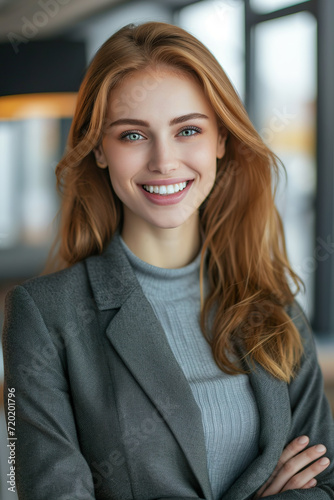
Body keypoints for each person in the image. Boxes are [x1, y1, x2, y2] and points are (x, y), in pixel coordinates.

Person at [2, 21, 334, 500]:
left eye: (189, 130)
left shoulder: (274, 306)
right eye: (133, 136)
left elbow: (325, 483)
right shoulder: (42, 315)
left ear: (221, 140)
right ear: (99, 148)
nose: (164, 160)